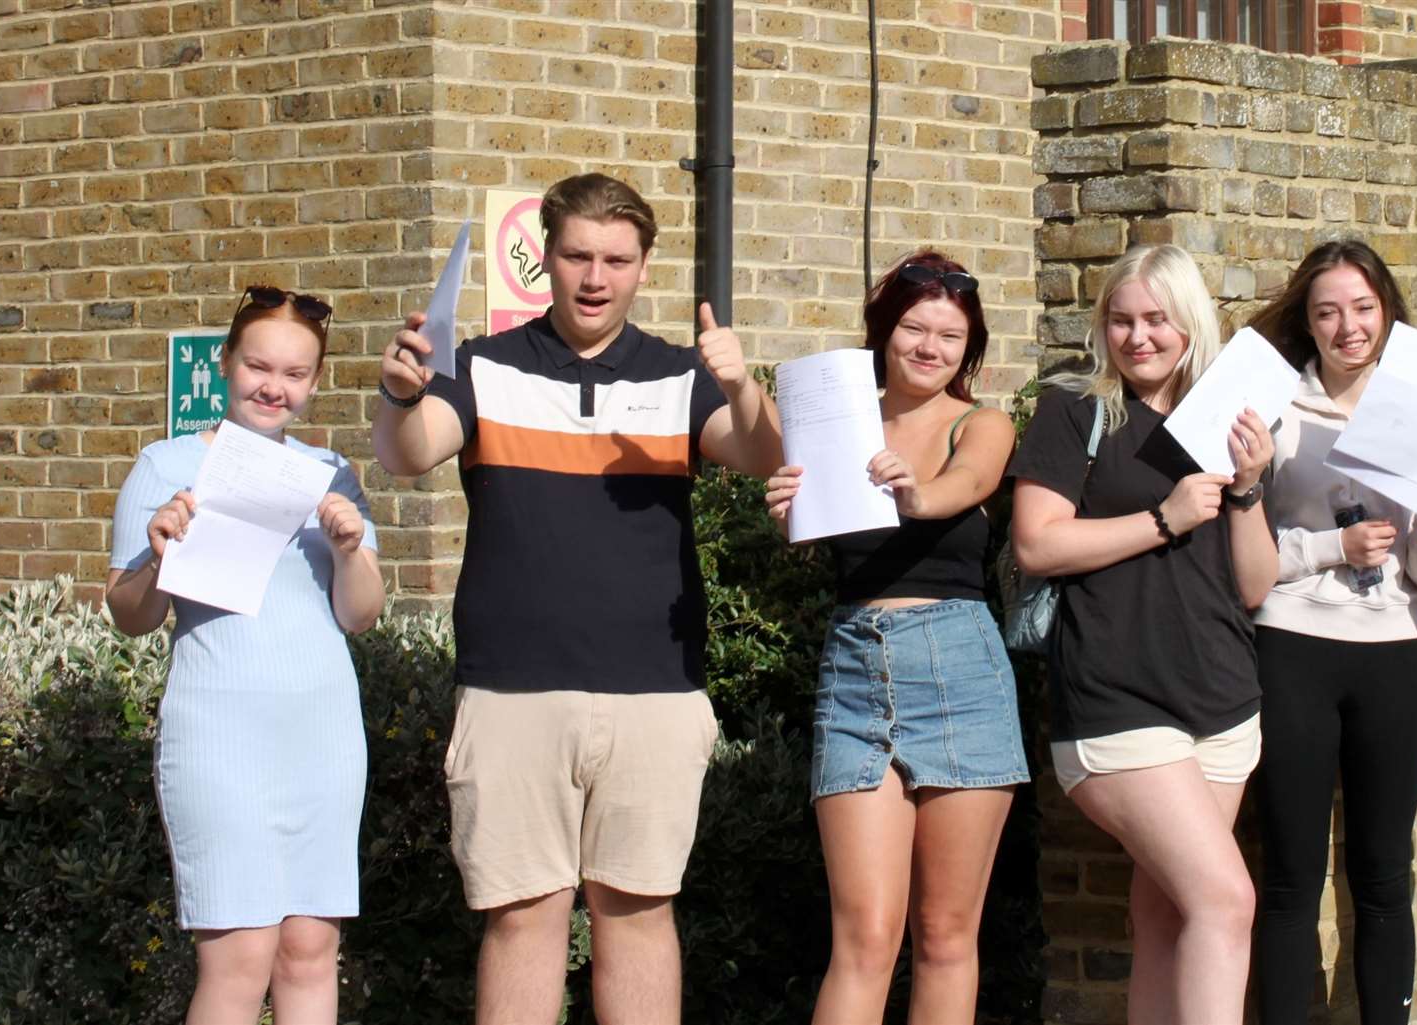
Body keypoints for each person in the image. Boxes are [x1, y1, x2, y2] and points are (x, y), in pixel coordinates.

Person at [372, 172, 782, 1025]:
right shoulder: (480, 366)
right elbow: (410, 454)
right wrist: (401, 394)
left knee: (638, 915)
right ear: (545, 259)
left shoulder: (679, 376)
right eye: (578, 256)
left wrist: (742, 384)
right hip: (512, 689)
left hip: (657, 692)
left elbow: (758, 453)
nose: (596, 277)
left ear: (642, 269)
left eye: (617, 260)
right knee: (523, 921)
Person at [1008, 243, 1276, 1022]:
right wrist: (1163, 518)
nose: (1138, 337)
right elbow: (1037, 543)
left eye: (1156, 319)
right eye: (1120, 320)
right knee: (1227, 901)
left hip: (1224, 702)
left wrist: (1250, 488)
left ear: (1190, 322)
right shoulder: (1075, 410)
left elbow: (1255, 582)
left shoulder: (1229, 423)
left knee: (1168, 916)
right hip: (1118, 700)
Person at [106, 287, 384, 1025]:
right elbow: (131, 616)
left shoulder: (331, 471)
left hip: (321, 734)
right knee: (240, 960)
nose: (274, 385)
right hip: (219, 734)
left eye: (295, 373)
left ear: (316, 381)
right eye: (258, 364)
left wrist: (352, 547)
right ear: (224, 363)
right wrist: (158, 554)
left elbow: (360, 615)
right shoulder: (164, 464)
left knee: (309, 953)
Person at [763, 251, 1028, 1025]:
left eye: (950, 335)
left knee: (946, 933)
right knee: (865, 937)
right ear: (884, 331)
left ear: (968, 349)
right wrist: (789, 514)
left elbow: (968, 484)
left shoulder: (982, 423)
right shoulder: (835, 421)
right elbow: (812, 527)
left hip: (960, 668)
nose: (929, 346)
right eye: (915, 326)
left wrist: (917, 494)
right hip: (854, 666)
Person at [1243, 241, 1417, 1024]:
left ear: (1387, 311)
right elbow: (1242, 556)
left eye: (1363, 307)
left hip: (1392, 652)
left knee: (1383, 876)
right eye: (1328, 311)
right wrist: (1326, 548)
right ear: (1306, 323)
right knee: (1290, 878)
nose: (1349, 326)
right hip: (1293, 645)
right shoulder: (1273, 407)